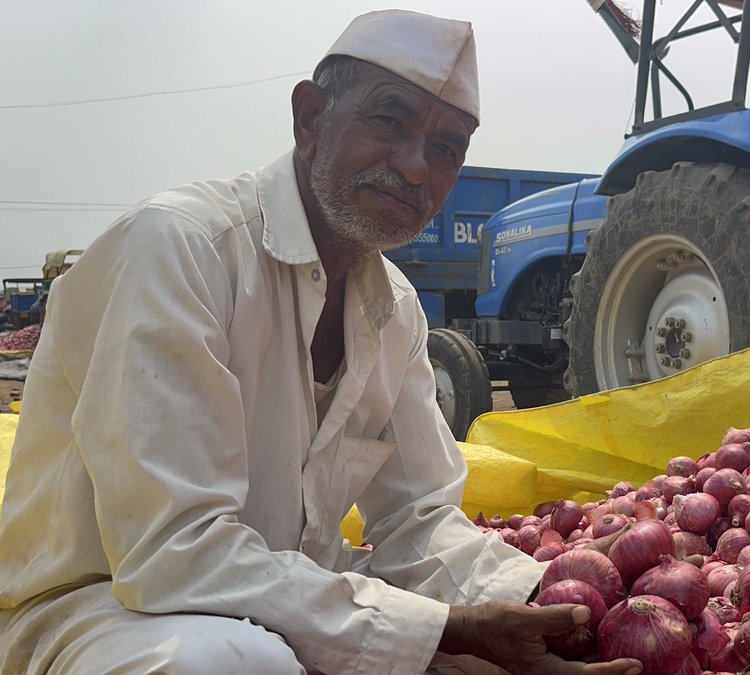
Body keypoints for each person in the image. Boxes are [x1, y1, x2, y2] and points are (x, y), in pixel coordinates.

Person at [0, 10, 641, 675]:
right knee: (235, 662)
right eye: (389, 121)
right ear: (309, 117)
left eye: (448, 147)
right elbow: (172, 550)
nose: (418, 169)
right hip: (104, 606)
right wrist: (442, 628)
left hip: (279, 599)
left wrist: (563, 604)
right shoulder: (182, 249)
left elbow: (417, 520)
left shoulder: (394, 310)